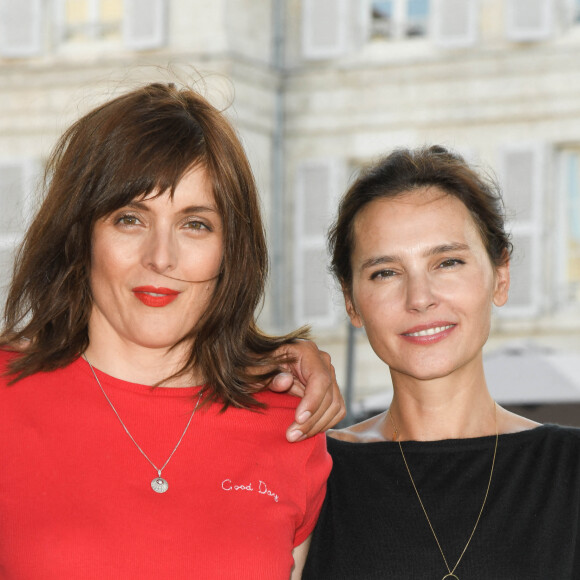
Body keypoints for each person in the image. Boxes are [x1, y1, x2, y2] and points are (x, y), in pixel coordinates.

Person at [0, 82, 343, 579]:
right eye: (130, 219)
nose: (160, 258)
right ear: (81, 234)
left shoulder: (290, 423)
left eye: (195, 224)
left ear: (231, 249)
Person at [303, 145, 580, 579]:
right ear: (351, 302)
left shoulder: (569, 469)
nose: (420, 298)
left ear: (500, 276)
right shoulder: (310, 474)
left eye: (447, 262)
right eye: (385, 272)